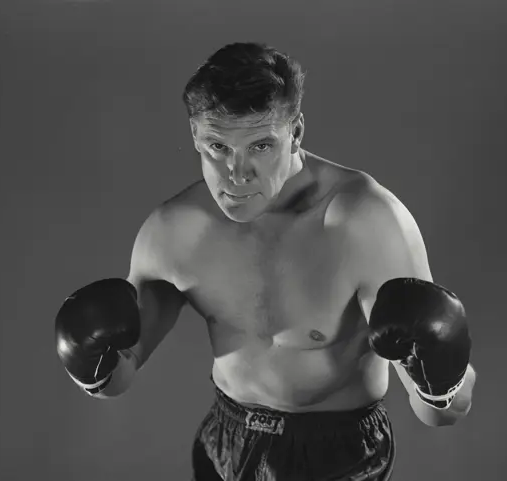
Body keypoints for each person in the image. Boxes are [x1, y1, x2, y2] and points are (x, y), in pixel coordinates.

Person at [55, 42, 477, 480]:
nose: (237, 173)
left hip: (337, 455)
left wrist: (443, 380)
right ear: (194, 137)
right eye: (217, 146)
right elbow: (118, 378)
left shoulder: (363, 223)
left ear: (294, 134)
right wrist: (90, 364)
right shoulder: (173, 232)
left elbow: (441, 413)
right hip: (226, 441)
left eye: (260, 145)